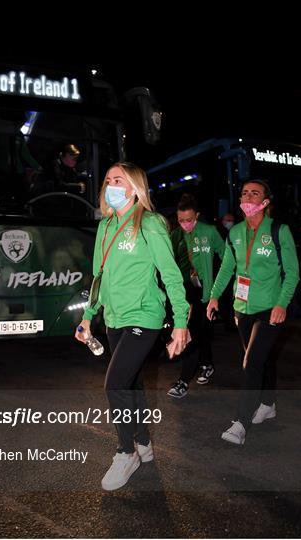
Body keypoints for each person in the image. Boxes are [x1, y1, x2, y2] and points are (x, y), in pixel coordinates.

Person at [75, 162, 190, 491]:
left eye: (119, 180)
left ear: (135, 187)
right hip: (114, 317)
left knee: (114, 384)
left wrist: (180, 322)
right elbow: (99, 276)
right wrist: (87, 315)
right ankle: (143, 442)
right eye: (108, 179)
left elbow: (171, 275)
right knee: (132, 384)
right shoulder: (106, 226)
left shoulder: (150, 223)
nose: (111, 184)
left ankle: (126, 453)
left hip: (144, 315)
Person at [206, 179, 299, 445]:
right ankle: (267, 404)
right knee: (262, 358)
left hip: (270, 309)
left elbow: (292, 272)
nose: (248, 196)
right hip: (241, 307)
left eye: (254, 193)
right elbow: (227, 268)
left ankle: (240, 423)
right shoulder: (234, 232)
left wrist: (282, 303)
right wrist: (213, 297)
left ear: (266, 201)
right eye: (245, 192)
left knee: (251, 362)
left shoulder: (279, 231)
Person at [167, 194, 225, 398]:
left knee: (194, 333)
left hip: (206, 292)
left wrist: (219, 287)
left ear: (197, 216)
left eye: (189, 220)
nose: (185, 224)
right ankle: (207, 364)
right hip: (184, 292)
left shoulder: (209, 232)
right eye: (181, 220)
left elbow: (227, 257)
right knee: (198, 332)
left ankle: (183, 381)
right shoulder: (175, 235)